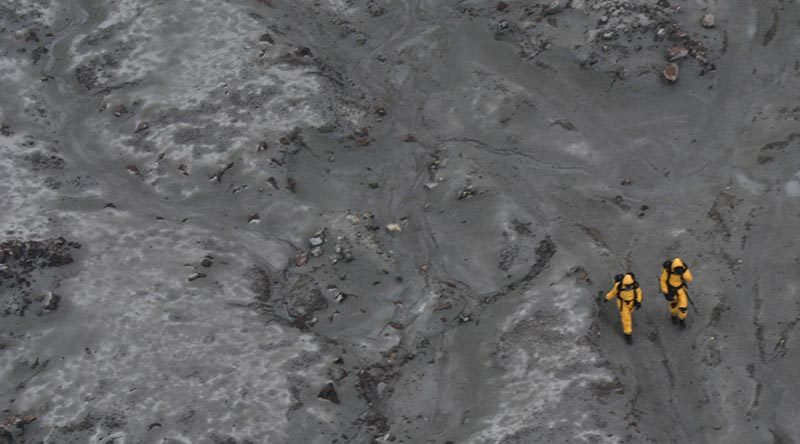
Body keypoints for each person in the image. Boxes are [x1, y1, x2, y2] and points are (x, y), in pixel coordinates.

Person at [605, 273, 643, 344]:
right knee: (626, 319)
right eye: (627, 285)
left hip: (631, 303)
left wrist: (638, 302)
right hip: (623, 304)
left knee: (629, 313)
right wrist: (607, 298)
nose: (628, 287)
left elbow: (639, 294)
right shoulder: (618, 286)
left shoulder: (635, 286)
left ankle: (627, 323)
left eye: (629, 285)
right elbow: (613, 293)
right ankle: (628, 334)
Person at [660, 257, 693, 326]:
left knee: (683, 307)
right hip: (671, 290)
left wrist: (684, 271)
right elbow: (663, 281)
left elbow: (689, 279)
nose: (677, 273)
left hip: (681, 289)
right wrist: (665, 292)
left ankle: (681, 319)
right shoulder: (668, 270)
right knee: (673, 305)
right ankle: (673, 315)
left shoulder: (683, 269)